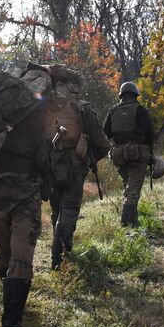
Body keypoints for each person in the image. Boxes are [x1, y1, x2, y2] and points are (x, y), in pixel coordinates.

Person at [0, 91, 47, 327]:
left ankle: (9, 308)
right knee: (21, 256)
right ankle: (11, 323)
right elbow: (43, 160)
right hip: (25, 194)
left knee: (5, 250)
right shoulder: (36, 118)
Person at [46, 66, 110, 271]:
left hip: (49, 164)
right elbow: (101, 142)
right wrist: (91, 158)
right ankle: (61, 252)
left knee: (56, 209)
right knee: (70, 209)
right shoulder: (83, 109)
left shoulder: (45, 105)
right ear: (75, 86)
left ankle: (59, 247)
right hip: (74, 164)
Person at [103, 82, 154, 227]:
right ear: (135, 94)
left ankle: (134, 222)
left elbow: (105, 133)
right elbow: (150, 133)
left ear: (121, 95)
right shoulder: (140, 110)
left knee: (128, 185)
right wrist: (149, 150)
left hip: (118, 154)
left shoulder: (113, 111)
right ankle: (127, 224)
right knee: (133, 189)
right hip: (137, 154)